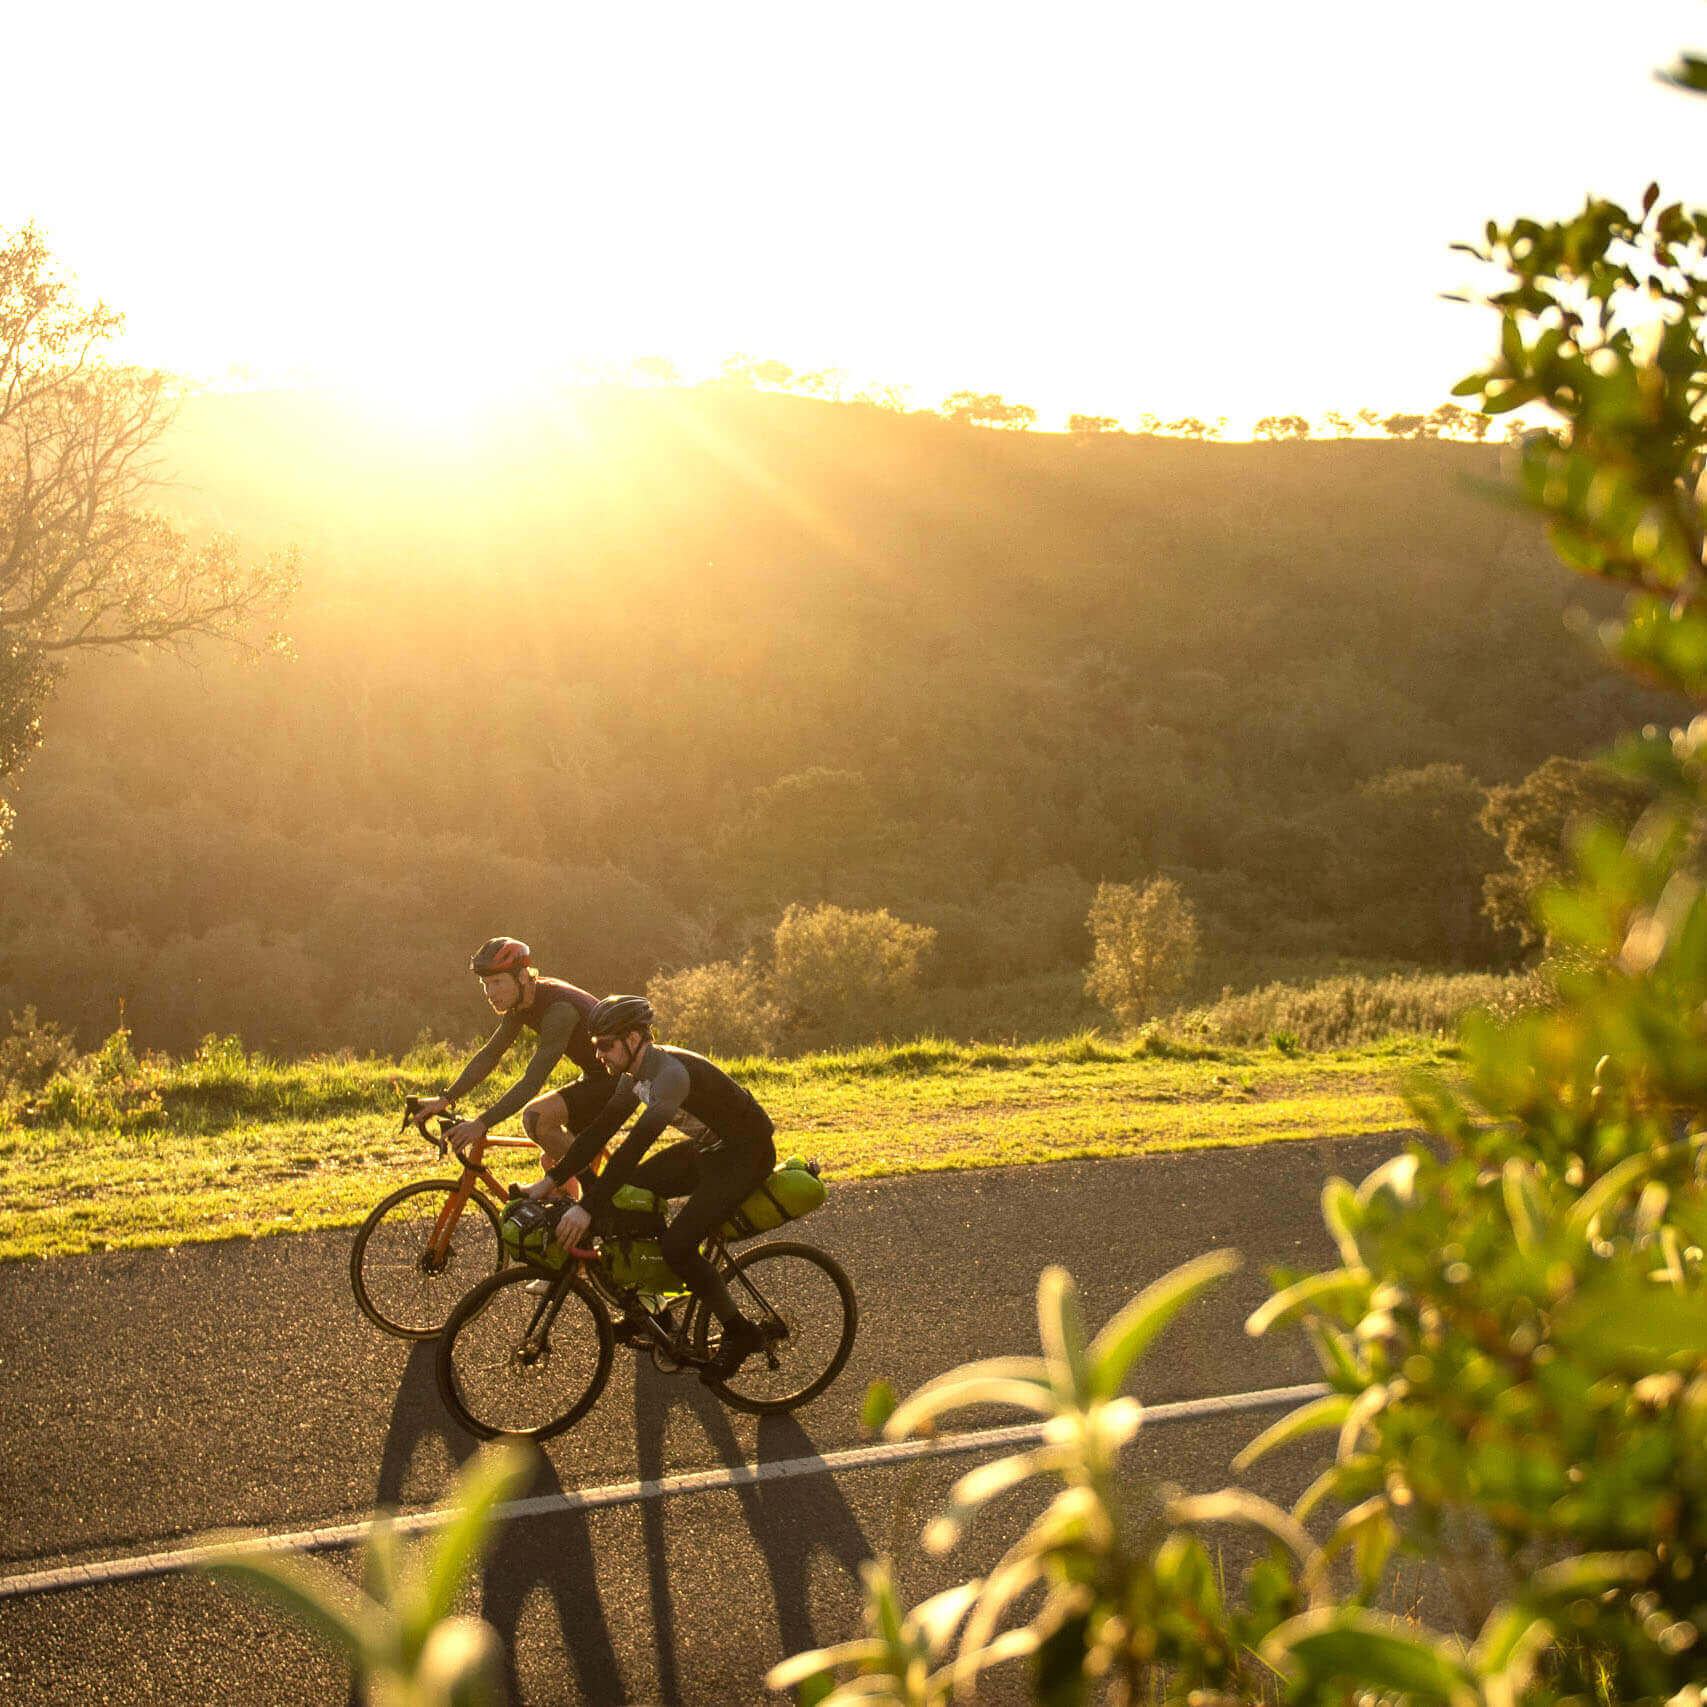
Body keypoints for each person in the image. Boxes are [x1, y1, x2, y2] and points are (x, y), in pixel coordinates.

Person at [526, 994, 777, 1378]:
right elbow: (598, 1133)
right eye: (596, 1046)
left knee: (678, 1245)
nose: (599, 1056)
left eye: (606, 1045)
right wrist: (550, 1180)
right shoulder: (633, 1075)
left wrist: (586, 1206)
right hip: (712, 1148)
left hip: (747, 1155)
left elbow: (633, 1147)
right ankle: (654, 1310)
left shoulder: (670, 1075)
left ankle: (740, 1333)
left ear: (632, 1039)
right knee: (629, 1197)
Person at [412, 937, 612, 1179]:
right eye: (485, 984)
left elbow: (532, 1082)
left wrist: (481, 1123)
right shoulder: (522, 1002)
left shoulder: (559, 1010)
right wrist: (445, 1098)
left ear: (522, 977)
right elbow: (490, 1055)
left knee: (536, 1118)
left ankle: (596, 1197)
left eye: (497, 982)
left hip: (617, 1080)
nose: (490, 993)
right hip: (595, 1077)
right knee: (551, 1161)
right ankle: (576, 1208)